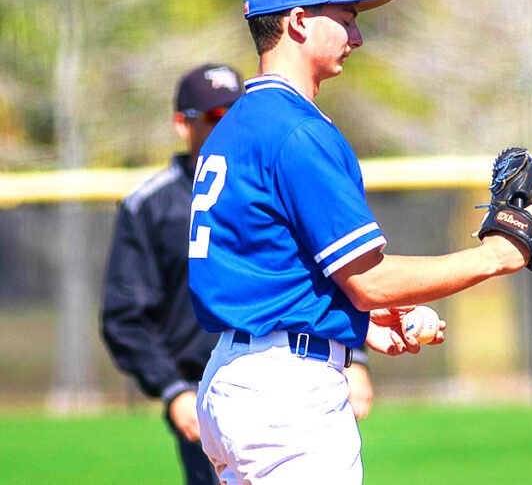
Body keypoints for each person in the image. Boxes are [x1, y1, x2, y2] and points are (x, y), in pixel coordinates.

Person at [189, 0, 532, 484]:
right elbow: (370, 280)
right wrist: (494, 257)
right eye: (346, 20)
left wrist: (355, 322)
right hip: (284, 395)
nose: (358, 37)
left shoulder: (236, 127)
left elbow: (271, 263)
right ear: (299, 22)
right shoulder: (296, 131)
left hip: (233, 378)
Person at [101, 63, 378, 485]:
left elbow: (320, 272)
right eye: (212, 116)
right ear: (182, 124)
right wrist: (171, 389)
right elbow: (125, 315)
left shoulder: (270, 179)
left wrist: (353, 355)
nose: (224, 124)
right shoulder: (150, 205)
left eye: (232, 112)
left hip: (285, 369)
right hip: (206, 385)